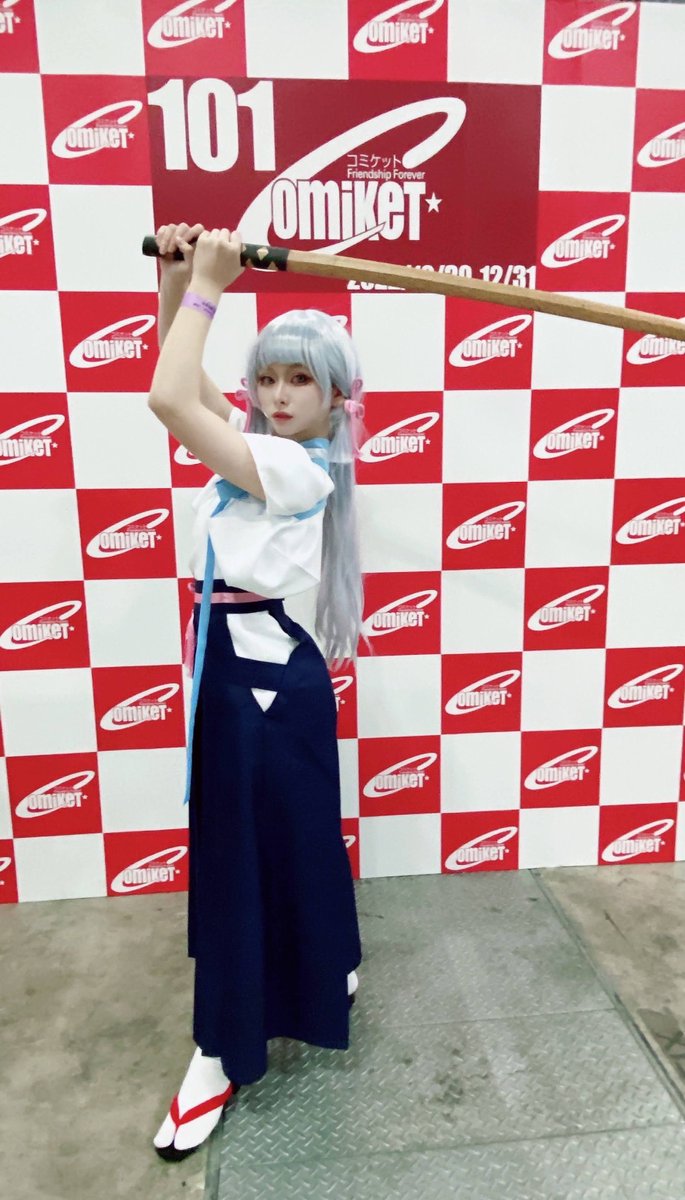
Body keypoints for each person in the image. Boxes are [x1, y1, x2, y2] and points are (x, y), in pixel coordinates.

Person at [147, 222, 365, 1160]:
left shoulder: (291, 468)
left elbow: (166, 398)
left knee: (247, 857)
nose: (276, 396)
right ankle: (327, 966)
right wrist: (177, 282)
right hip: (243, 675)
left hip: (264, 687)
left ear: (335, 397)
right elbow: (188, 383)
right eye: (266, 378)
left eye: (299, 380)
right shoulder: (262, 444)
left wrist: (211, 285)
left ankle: (220, 1050)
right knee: (280, 841)